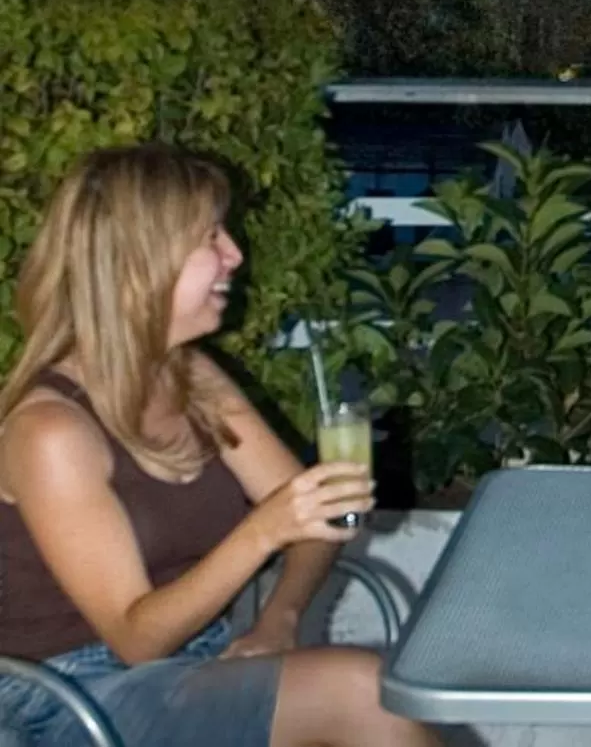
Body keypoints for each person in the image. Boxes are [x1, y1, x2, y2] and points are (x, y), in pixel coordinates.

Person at [0, 142, 440, 747]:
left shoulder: (191, 375)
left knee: (364, 694)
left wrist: (278, 619)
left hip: (195, 666)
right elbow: (135, 638)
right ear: (138, 261)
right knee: (365, 697)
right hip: (70, 699)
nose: (234, 254)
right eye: (210, 237)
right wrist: (264, 529)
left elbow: (311, 520)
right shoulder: (50, 431)